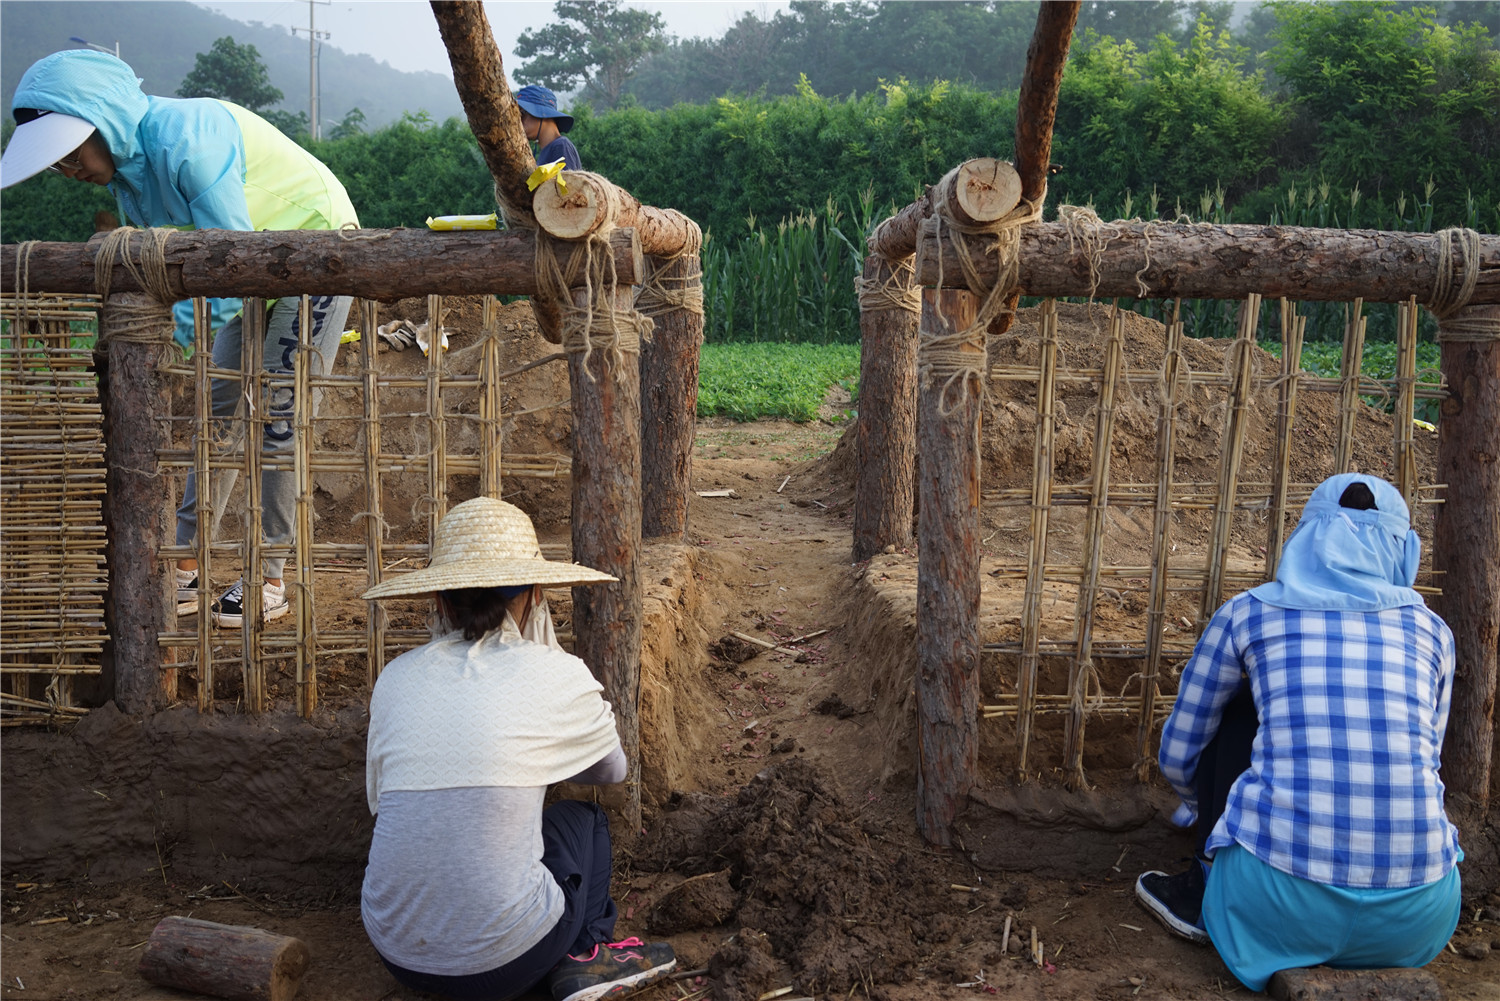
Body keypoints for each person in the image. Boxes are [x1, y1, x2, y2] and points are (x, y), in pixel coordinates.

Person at [0, 49, 359, 628]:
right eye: (55, 162)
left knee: (275, 415)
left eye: (69, 151)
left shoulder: (189, 138)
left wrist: (177, 348)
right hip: (250, 270)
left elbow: (230, 258)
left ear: (104, 120)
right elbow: (166, 271)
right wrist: (176, 347)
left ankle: (269, 579)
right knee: (214, 417)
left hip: (314, 251)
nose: (67, 170)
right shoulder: (129, 181)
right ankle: (185, 565)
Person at [1135, 473, 1462, 991]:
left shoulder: (1248, 614)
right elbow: (1430, 756)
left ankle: (1203, 883)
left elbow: (1179, 750)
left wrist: (1196, 809)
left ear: (1305, 535)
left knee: (1243, 708)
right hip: (1417, 922)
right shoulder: (1433, 633)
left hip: (1275, 906)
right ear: (1404, 548)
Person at [359, 496, 677, 1001]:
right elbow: (612, 770)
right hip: (505, 963)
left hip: (399, 954)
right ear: (534, 593)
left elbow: (381, 803)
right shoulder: (555, 672)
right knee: (584, 821)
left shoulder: (394, 679)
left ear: (440, 600)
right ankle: (586, 957)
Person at [516, 84, 580, 170]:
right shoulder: (546, 151)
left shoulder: (561, 146)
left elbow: (568, 183)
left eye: (522, 113)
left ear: (543, 114)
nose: (519, 120)